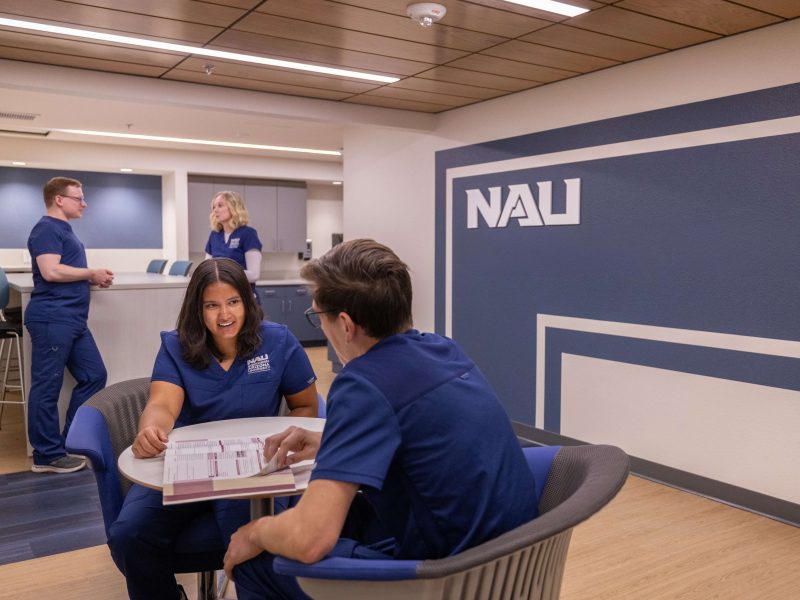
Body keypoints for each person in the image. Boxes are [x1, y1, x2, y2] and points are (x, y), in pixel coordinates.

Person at [223, 239, 539, 600]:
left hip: (446, 579)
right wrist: (330, 440)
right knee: (354, 515)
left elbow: (310, 540)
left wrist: (254, 531)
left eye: (317, 316)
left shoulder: (362, 384)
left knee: (257, 560)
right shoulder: (443, 349)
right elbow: (421, 436)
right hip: (512, 567)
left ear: (345, 324)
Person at [108, 257, 318, 600]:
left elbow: (305, 405)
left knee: (250, 540)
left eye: (233, 302)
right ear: (197, 308)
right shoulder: (176, 346)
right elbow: (162, 404)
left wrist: (289, 444)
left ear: (247, 302)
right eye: (212, 305)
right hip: (187, 467)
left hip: (252, 470)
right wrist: (150, 429)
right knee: (129, 535)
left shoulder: (277, 340)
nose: (225, 316)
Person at [25, 176, 114, 474]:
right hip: (53, 317)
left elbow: (62, 268)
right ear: (59, 199)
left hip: (72, 319)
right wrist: (91, 272)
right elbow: (50, 271)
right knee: (47, 385)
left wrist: (89, 277)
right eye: (79, 198)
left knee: (94, 375)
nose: (84, 203)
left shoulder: (64, 230)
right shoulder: (46, 228)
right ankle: (46, 455)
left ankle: (69, 443)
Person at [205, 190, 262, 296]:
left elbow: (254, 275)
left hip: (243, 297)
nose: (215, 210)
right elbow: (207, 269)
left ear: (234, 208)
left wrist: (222, 273)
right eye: (214, 207)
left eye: (220, 205)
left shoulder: (248, 234)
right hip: (220, 295)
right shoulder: (214, 235)